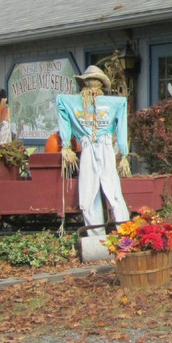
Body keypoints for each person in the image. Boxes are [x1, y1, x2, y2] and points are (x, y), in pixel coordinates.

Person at [56, 65, 130, 236]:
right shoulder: (114, 103)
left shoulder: (74, 102)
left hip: (95, 146)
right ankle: (117, 234)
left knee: (97, 192)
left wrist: (67, 143)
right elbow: (122, 117)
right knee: (101, 191)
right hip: (96, 146)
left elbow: (61, 105)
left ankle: (121, 233)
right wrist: (123, 150)